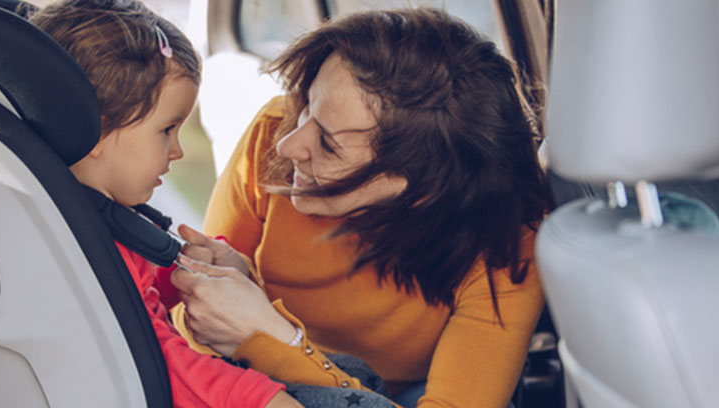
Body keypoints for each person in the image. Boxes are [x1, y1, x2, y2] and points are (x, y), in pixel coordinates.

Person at [170, 8, 552, 407]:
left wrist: (275, 338)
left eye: (329, 145)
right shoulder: (273, 133)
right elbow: (195, 337)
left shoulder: (507, 244)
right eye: (307, 108)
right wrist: (236, 293)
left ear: (422, 188)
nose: (290, 146)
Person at [28, 1, 302, 406]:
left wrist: (193, 274)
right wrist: (260, 399)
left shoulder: (86, 214)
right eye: (167, 130)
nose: (177, 151)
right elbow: (155, 358)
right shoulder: (91, 250)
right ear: (98, 127)